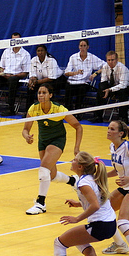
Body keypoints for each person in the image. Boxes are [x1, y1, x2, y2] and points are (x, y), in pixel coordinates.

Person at [36, 151, 115, 256]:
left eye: (74, 160)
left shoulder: (83, 183)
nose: (71, 161)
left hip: (99, 225)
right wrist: (79, 204)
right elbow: (97, 200)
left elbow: (95, 205)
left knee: (59, 243)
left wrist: (77, 219)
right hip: (110, 224)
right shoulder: (92, 178)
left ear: (80, 167)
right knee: (78, 241)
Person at [22, 83, 83, 215]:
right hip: (42, 142)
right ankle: (73, 181)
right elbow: (25, 129)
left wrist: (76, 148)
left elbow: (78, 126)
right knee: (51, 175)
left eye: (44, 93)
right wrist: (27, 136)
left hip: (57, 140)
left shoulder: (59, 109)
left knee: (43, 168)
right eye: (39, 93)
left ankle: (40, 203)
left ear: (50, 95)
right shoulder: (34, 108)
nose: (41, 95)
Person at [101, 120, 129, 256]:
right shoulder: (112, 147)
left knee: (122, 221)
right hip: (126, 186)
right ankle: (120, 245)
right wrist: (100, 176)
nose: (108, 130)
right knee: (103, 211)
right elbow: (117, 170)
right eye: (108, 128)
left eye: (112, 129)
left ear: (121, 133)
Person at [0, 32, 31, 117]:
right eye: (13, 40)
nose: (15, 42)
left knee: (12, 80)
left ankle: (11, 109)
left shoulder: (25, 54)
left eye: (17, 40)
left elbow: (25, 73)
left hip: (17, 78)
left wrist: (14, 76)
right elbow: (2, 67)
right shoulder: (6, 51)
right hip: (5, 77)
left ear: (21, 41)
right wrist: (0, 73)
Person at [90, 51, 129, 124]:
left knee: (122, 93)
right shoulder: (105, 67)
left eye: (112, 60)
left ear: (117, 60)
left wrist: (110, 90)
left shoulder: (122, 68)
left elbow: (123, 85)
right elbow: (103, 81)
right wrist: (104, 91)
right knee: (100, 90)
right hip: (115, 86)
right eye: (108, 60)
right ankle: (98, 116)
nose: (110, 62)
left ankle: (123, 118)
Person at [63, 39, 105, 115]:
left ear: (88, 47)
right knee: (68, 88)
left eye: (84, 46)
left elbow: (105, 65)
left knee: (81, 90)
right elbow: (66, 73)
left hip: (84, 83)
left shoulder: (92, 57)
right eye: (81, 46)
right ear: (79, 47)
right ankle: (68, 113)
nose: (82, 48)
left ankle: (77, 112)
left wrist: (95, 73)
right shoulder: (73, 57)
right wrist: (76, 72)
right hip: (73, 82)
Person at [25, 44, 64, 111]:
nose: (40, 52)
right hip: (41, 81)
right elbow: (33, 75)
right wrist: (32, 81)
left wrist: (36, 82)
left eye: (42, 50)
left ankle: (50, 110)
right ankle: (28, 111)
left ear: (45, 51)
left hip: (56, 80)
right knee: (30, 88)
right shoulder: (33, 60)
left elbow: (51, 78)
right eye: (38, 51)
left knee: (48, 89)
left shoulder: (51, 60)